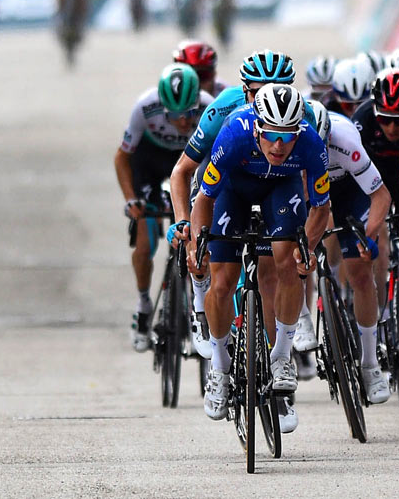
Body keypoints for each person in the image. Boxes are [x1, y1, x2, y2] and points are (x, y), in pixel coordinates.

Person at [189, 84, 330, 421]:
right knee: (222, 282)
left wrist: (307, 249)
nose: (279, 146)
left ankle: (282, 356)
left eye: (287, 136)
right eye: (271, 136)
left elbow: (322, 209)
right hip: (232, 189)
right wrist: (198, 243)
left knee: (290, 262)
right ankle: (220, 369)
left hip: (281, 189)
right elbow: (204, 199)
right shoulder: (233, 134)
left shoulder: (311, 143)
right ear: (257, 128)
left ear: (299, 131)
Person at [168, 51, 301, 360]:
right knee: (210, 260)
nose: (268, 99)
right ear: (244, 91)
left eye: (277, 89)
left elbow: (311, 174)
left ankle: (276, 367)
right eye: (258, 92)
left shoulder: (298, 112)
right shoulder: (224, 109)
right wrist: (183, 222)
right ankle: (201, 301)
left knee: (273, 273)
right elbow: (182, 171)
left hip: (273, 185)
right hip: (224, 181)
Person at [114, 64, 212, 352]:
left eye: (188, 115)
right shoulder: (145, 107)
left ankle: (198, 311)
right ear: (162, 107)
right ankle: (144, 304)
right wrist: (131, 199)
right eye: (174, 116)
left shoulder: (209, 107)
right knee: (144, 244)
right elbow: (122, 158)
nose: (182, 123)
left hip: (191, 162)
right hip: (151, 163)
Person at [315, 102, 393, 404]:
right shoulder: (286, 144)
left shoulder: (346, 141)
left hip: (350, 189)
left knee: (360, 271)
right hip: (310, 190)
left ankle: (370, 362)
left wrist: (368, 236)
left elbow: (380, 195)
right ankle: (308, 314)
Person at [352, 68, 399, 292]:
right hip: (373, 177)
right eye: (384, 119)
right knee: (374, 241)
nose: (392, 128)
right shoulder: (362, 120)